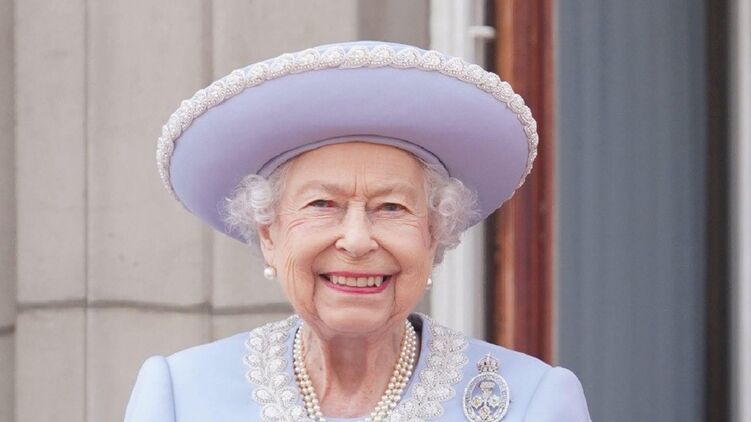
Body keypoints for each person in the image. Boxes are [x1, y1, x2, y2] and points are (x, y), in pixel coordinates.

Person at [126, 41, 591, 421]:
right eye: (322, 204)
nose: (356, 240)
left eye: (390, 207)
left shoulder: (529, 402)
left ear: (434, 234)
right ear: (269, 234)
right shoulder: (182, 396)